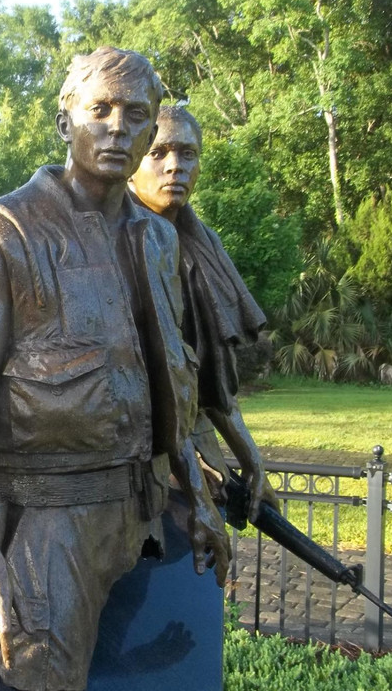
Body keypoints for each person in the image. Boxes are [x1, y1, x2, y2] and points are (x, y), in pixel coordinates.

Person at [0, 47, 229, 691]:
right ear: (65, 121)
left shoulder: (158, 239)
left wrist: (198, 493)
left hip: (141, 511)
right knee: (43, 676)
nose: (118, 128)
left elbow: (169, 376)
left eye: (136, 115)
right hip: (51, 518)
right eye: (99, 109)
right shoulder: (4, 232)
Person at [129, 105, 274, 521]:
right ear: (133, 162)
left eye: (187, 154)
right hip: (134, 463)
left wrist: (253, 460)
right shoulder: (110, 241)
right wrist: (188, 466)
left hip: (192, 455)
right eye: (158, 153)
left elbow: (212, 384)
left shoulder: (202, 246)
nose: (174, 167)